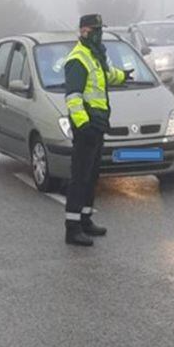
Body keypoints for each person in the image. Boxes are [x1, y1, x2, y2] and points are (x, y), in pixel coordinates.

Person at [63, 13, 127, 246]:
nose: (100, 34)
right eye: (95, 30)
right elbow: (73, 98)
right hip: (86, 127)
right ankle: (72, 228)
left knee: (91, 176)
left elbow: (108, 76)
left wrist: (124, 76)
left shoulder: (96, 55)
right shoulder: (77, 59)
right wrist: (83, 125)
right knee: (79, 177)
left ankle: (86, 219)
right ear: (84, 31)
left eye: (101, 30)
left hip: (98, 125)